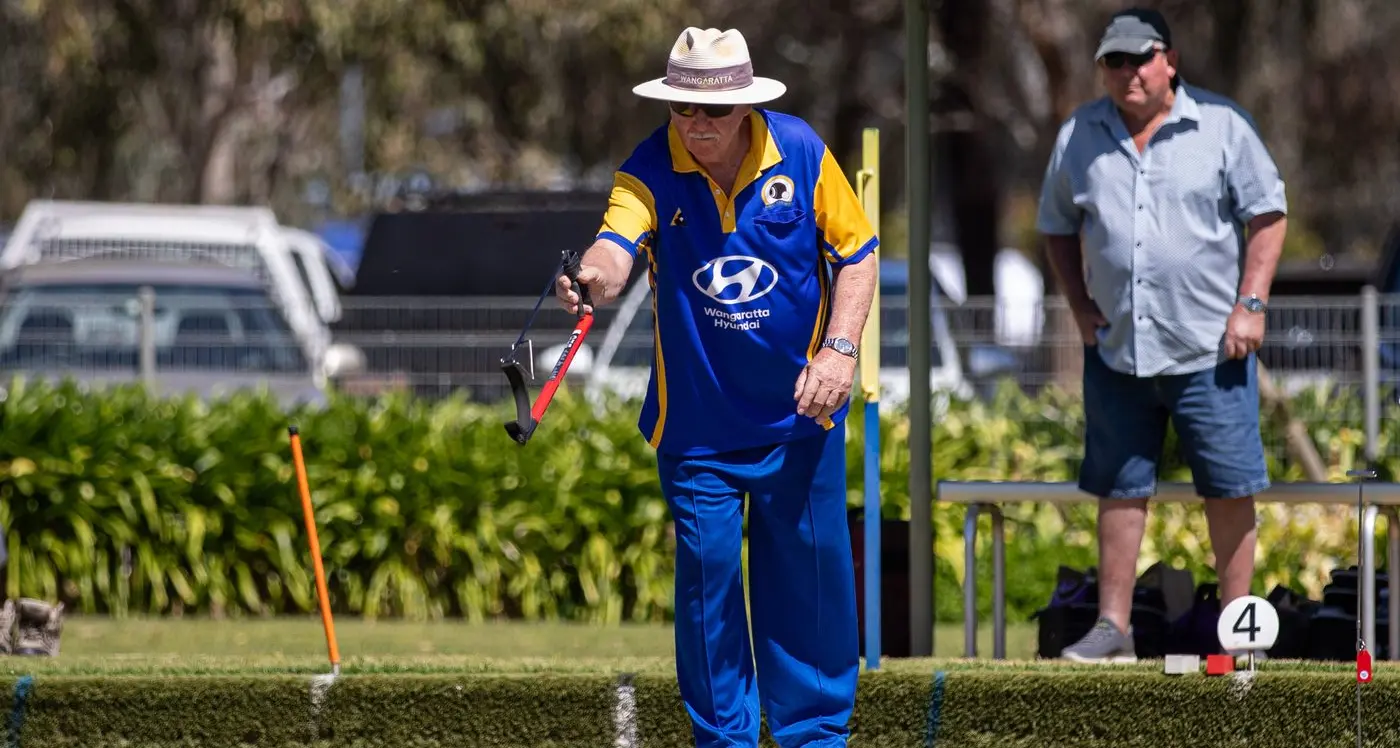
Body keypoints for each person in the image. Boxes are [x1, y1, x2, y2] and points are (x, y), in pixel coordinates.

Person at [555, 26, 878, 748]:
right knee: (708, 589)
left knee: (810, 590)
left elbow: (857, 254)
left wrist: (840, 351)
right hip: (698, 428)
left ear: (745, 106)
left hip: (803, 416)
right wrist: (590, 281)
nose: (696, 125)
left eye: (712, 112)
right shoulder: (648, 166)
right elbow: (615, 248)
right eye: (682, 110)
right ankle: (724, 740)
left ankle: (816, 738)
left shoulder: (801, 150)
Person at [1035, 7, 1288, 664]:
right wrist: (1080, 306)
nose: (1127, 73)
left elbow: (1267, 216)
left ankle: (1239, 630)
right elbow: (1056, 225)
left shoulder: (1224, 127)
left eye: (1139, 58)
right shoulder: (1078, 135)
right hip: (1118, 348)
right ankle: (1114, 627)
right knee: (1119, 487)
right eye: (1113, 62)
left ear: (1169, 60)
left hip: (1213, 347)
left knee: (1229, 485)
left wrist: (1251, 305)